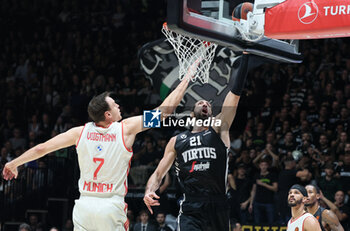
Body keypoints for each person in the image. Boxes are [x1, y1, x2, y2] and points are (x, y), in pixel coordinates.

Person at [2, 76, 191, 231]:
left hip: (84, 206)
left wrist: (14, 163)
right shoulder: (125, 129)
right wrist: (186, 79)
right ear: (107, 115)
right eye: (114, 104)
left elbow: (41, 148)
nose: (118, 105)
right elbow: (163, 113)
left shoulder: (79, 132)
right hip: (109, 206)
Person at [144, 53, 251, 231]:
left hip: (218, 203)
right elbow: (158, 174)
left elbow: (235, 95)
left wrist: (245, 59)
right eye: (200, 102)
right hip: (191, 206)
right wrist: (149, 190)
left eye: (208, 104)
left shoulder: (218, 129)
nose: (205, 104)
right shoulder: (177, 140)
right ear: (191, 113)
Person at [249, 158, 278, 224]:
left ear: (267, 166)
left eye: (265, 165)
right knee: (257, 223)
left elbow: (275, 188)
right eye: (262, 165)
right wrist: (251, 204)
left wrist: (263, 184)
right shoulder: (256, 176)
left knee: (271, 223)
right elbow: (253, 190)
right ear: (259, 166)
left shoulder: (272, 175)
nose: (263, 167)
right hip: (257, 202)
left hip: (269, 202)